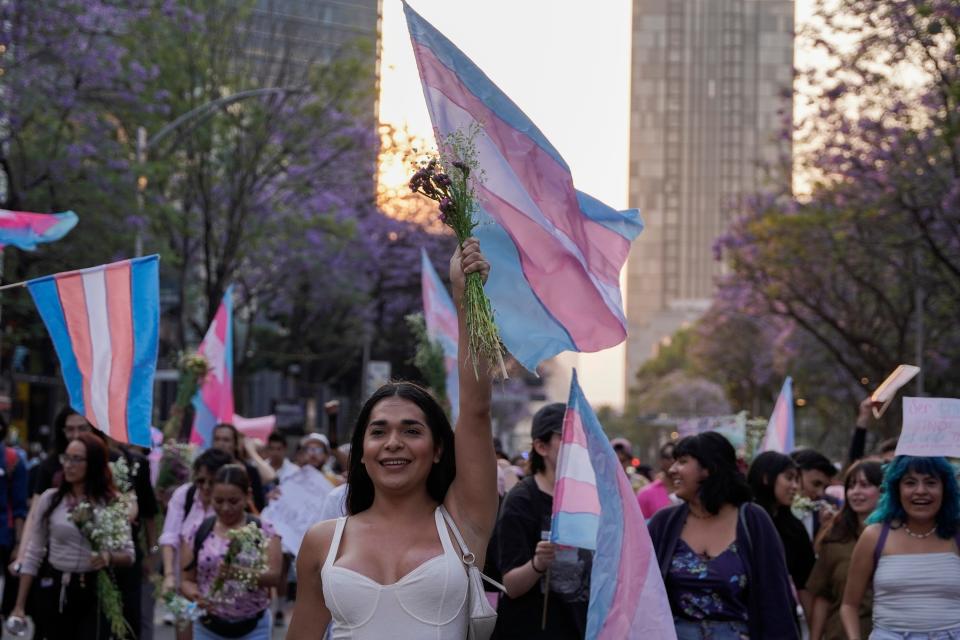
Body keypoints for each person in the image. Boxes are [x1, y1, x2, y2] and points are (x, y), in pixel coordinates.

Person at [286, 238, 497, 640]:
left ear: (438, 450)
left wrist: (465, 299)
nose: (393, 442)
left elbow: (475, 410)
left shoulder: (464, 522)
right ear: (361, 451)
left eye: (412, 430)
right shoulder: (323, 542)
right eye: (378, 431)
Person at [649, 432, 799, 639]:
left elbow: (776, 601)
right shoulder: (663, 523)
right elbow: (642, 592)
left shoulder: (753, 520)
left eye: (682, 461)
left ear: (709, 469)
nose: (672, 469)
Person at [11, 432, 135, 639]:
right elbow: (34, 553)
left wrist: (107, 557)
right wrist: (19, 605)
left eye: (76, 459)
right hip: (55, 589)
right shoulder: (50, 499)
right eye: (66, 458)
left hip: (94, 592)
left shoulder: (111, 503)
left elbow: (129, 554)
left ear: (94, 463)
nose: (68, 465)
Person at [492, 403, 592, 639]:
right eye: (566, 436)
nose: (576, 444)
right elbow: (512, 586)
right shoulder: (521, 500)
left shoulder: (592, 498)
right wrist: (538, 563)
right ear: (541, 446)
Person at [841, 455, 960, 639]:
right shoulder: (874, 536)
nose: (920, 491)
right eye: (910, 483)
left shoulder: (957, 535)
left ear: (945, 489)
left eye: (931, 482)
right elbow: (849, 605)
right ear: (896, 489)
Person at [180, 464, 283, 640]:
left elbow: (274, 576)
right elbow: (186, 581)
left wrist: (238, 573)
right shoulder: (198, 531)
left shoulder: (263, 530)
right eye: (218, 501)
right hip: (208, 627)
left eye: (233, 501)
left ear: (247, 496)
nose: (226, 508)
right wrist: (195, 595)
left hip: (253, 628)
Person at [160, 448, 234, 636]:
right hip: (185, 585)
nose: (206, 487)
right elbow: (170, 536)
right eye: (201, 481)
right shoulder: (184, 496)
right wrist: (169, 576)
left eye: (213, 481)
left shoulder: (231, 506)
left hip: (222, 592)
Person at [807, 460, 882, 640]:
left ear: (883, 490)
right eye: (851, 485)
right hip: (840, 634)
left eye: (865, 485)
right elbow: (823, 597)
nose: (856, 492)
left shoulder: (898, 538)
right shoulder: (835, 539)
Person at [747, 451, 815, 617]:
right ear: (765, 478)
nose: (795, 486)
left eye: (797, 480)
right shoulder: (741, 519)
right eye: (789, 478)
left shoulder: (794, 528)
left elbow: (804, 582)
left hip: (780, 616)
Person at [210, 423, 271, 512]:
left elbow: (270, 478)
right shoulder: (206, 469)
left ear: (235, 444)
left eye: (226, 440)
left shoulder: (248, 471)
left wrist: (251, 451)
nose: (220, 444)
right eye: (217, 439)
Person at [790, 449, 839, 541]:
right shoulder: (774, 511)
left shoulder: (826, 509)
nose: (820, 493)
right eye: (816, 484)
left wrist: (824, 528)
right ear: (796, 475)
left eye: (825, 487)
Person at [637, 442, 677, 519]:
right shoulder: (645, 494)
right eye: (668, 456)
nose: (672, 460)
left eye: (676, 456)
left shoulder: (692, 493)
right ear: (661, 460)